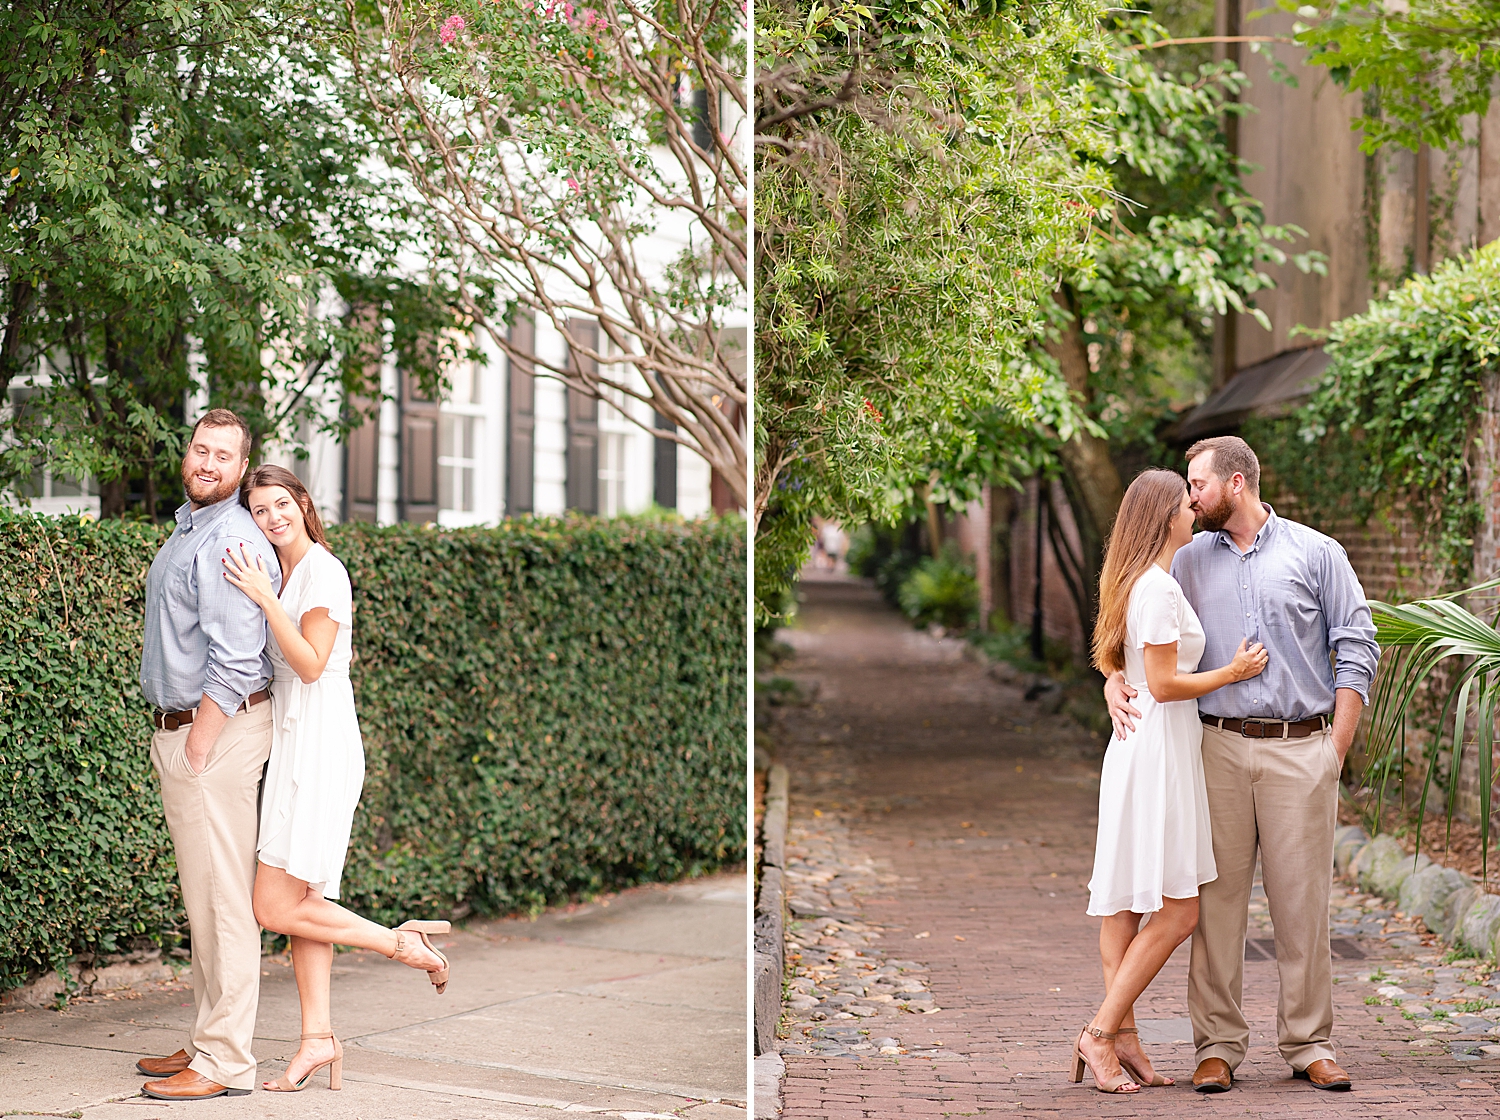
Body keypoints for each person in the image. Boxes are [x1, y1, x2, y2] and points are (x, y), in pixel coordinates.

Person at [1105, 436, 1380, 1094]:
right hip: (1215, 749)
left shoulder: (1317, 553)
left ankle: (1310, 1042)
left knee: (1302, 905)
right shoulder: (1188, 560)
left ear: (1235, 482)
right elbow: (1129, 621)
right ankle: (1217, 1047)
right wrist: (1112, 676)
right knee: (1215, 905)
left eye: (1197, 484)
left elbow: (1357, 644)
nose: (1190, 496)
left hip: (1301, 746)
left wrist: (1332, 751)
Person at [221, 464, 452, 1093]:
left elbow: (313, 663)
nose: (272, 519)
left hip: (321, 748)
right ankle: (317, 1040)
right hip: (291, 746)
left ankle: (399, 945)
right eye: (259, 510)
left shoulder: (323, 571)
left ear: (302, 503)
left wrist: (265, 603)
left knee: (274, 906)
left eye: (280, 505)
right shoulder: (278, 570)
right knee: (299, 906)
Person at [1073, 468, 1268, 1094]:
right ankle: (1101, 1033)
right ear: (1164, 518)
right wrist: (1232, 672)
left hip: (1146, 748)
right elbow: (1161, 684)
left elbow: (1116, 657)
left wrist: (1110, 678)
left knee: (1127, 903)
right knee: (1179, 909)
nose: (1194, 510)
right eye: (1186, 504)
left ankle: (1122, 1038)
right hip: (1157, 750)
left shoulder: (1143, 580)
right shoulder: (1154, 587)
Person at [137, 409, 283, 1101]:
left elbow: (234, 657)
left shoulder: (230, 537)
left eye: (224, 456)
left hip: (214, 735)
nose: (207, 463)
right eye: (200, 449)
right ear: (187, 451)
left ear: (240, 467)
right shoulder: (188, 527)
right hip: (190, 730)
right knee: (203, 898)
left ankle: (225, 1062)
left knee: (224, 901)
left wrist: (198, 741)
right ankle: (205, 1037)